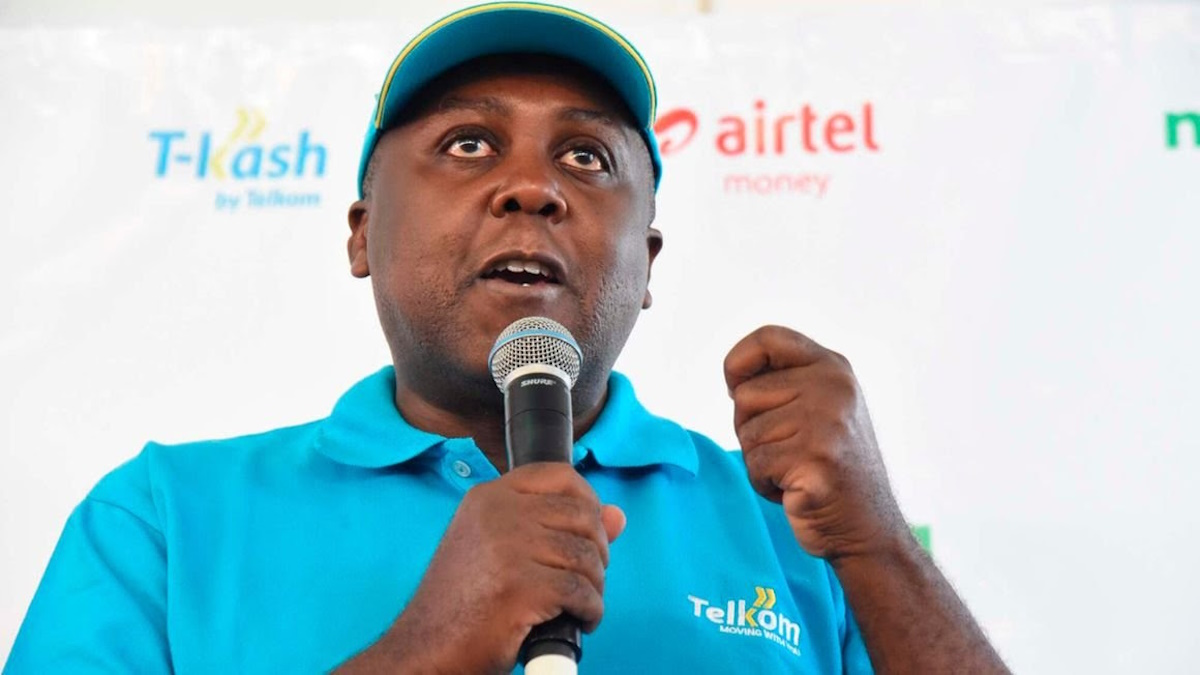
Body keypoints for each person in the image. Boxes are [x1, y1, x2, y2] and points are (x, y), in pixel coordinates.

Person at [6, 3, 1008, 673]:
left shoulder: (799, 534)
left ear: (647, 263)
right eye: (469, 143)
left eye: (587, 157)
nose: (532, 187)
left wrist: (879, 548)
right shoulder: (162, 521)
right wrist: (430, 646)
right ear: (362, 234)